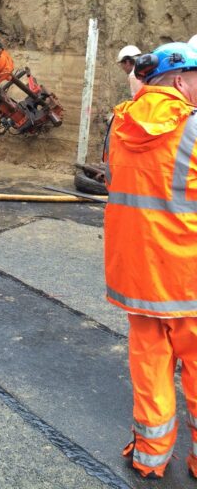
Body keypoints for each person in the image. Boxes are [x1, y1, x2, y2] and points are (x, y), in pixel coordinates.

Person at [104, 41, 197, 480]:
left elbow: (115, 184)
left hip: (139, 281)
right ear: (180, 81)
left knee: (150, 370)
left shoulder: (118, 126)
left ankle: (150, 458)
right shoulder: (194, 129)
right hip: (189, 282)